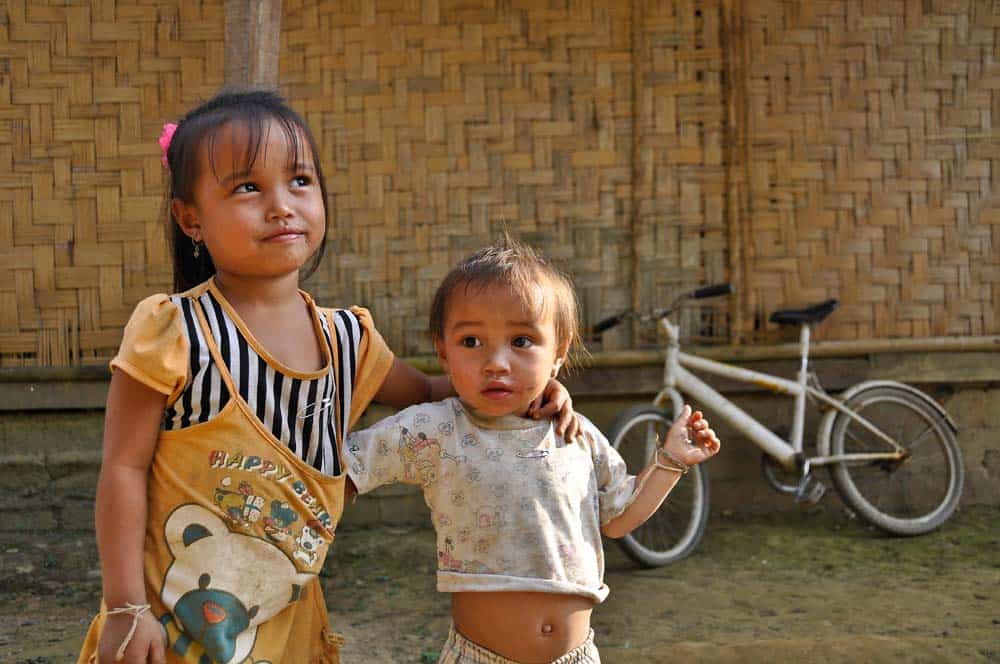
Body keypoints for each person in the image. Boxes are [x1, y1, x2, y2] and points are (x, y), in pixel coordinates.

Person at [77, 89, 578, 664]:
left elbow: (441, 393)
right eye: (247, 187)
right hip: (170, 627)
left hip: (287, 628)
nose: (281, 204)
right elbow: (122, 467)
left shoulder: (349, 340)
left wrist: (530, 390)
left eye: (299, 181)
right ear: (190, 218)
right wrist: (125, 606)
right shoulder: (176, 331)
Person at [344, 240, 721, 664]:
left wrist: (669, 461)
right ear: (442, 352)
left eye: (522, 340)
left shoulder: (574, 434)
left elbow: (618, 517)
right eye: (471, 341)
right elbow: (342, 469)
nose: (497, 362)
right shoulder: (435, 429)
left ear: (559, 352)